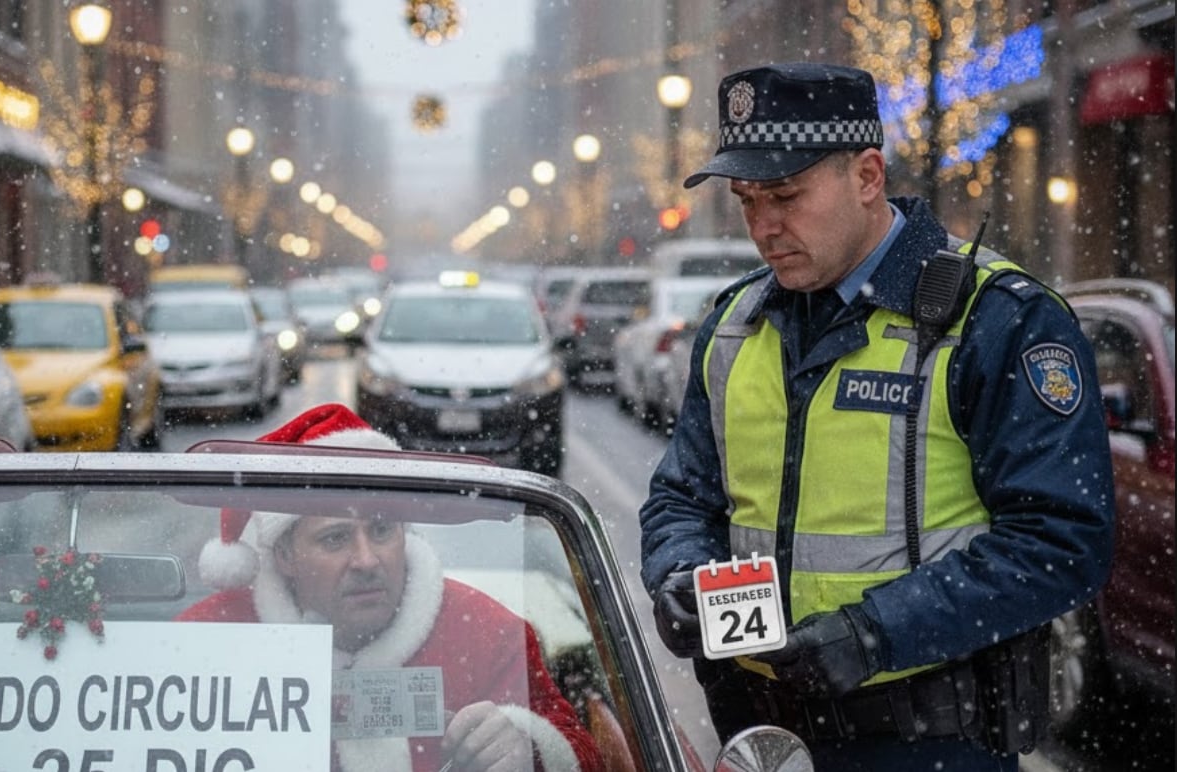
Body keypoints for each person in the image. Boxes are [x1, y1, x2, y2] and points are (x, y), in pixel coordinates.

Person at [639, 62, 1114, 771]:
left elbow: (1061, 540)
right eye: (746, 200)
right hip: (762, 740)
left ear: (867, 177)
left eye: (786, 195)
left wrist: (873, 634)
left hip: (931, 745)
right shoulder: (735, 325)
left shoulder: (997, 319)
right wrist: (681, 573)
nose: (764, 227)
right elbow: (683, 494)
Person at [178, 403, 603, 772]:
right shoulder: (210, 641)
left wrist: (529, 748)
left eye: (382, 529)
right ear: (285, 555)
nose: (366, 560)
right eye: (335, 538)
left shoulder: (489, 633)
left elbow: (589, 755)